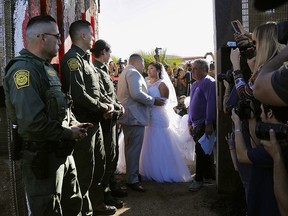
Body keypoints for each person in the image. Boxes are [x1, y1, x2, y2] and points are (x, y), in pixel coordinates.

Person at [3, 15, 89, 215]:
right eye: (57, 36)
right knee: (49, 209)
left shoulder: (45, 67)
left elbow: (59, 107)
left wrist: (74, 123)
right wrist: (69, 133)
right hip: (43, 157)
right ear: (42, 38)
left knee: (73, 203)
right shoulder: (23, 70)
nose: (60, 41)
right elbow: (33, 122)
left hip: (61, 152)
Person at [60, 20, 116, 215]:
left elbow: (97, 91)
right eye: (91, 34)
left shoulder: (86, 61)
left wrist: (109, 106)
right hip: (84, 123)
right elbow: (79, 95)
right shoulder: (72, 59)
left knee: (98, 166)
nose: (93, 38)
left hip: (96, 121)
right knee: (85, 170)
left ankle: (97, 206)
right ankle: (84, 211)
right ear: (83, 36)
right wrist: (103, 107)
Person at [117, 53, 165, 192]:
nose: (144, 67)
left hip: (129, 116)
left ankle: (132, 174)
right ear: (137, 62)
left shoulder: (125, 72)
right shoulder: (133, 73)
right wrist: (153, 100)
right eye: (143, 63)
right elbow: (136, 93)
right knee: (133, 149)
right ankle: (132, 179)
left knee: (130, 147)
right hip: (134, 116)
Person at [230, 103, 288, 216]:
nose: (260, 115)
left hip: (268, 207)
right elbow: (257, 146)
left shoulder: (276, 145)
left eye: (261, 111)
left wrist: (237, 125)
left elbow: (242, 156)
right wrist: (251, 120)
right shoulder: (278, 139)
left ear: (270, 113)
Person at [139, 62, 192, 183]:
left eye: (152, 68)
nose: (149, 70)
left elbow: (164, 102)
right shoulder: (146, 83)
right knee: (149, 142)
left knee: (160, 142)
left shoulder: (162, 84)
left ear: (158, 70)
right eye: (148, 68)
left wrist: (150, 101)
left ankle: (163, 170)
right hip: (149, 117)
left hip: (159, 117)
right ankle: (149, 169)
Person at [90, 39, 126, 208]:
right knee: (107, 157)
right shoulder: (95, 70)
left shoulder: (103, 69)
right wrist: (116, 107)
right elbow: (102, 95)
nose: (110, 56)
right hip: (105, 119)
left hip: (112, 116)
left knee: (113, 154)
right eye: (109, 52)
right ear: (103, 52)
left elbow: (109, 94)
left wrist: (117, 106)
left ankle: (110, 186)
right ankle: (105, 194)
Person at [188, 59, 216, 192]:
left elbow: (211, 103)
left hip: (204, 123)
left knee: (200, 150)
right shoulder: (195, 84)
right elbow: (191, 104)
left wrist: (209, 122)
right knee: (204, 150)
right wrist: (189, 122)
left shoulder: (209, 82)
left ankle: (198, 179)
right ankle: (208, 175)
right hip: (195, 124)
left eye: (195, 69)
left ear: (205, 70)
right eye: (192, 68)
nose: (192, 71)